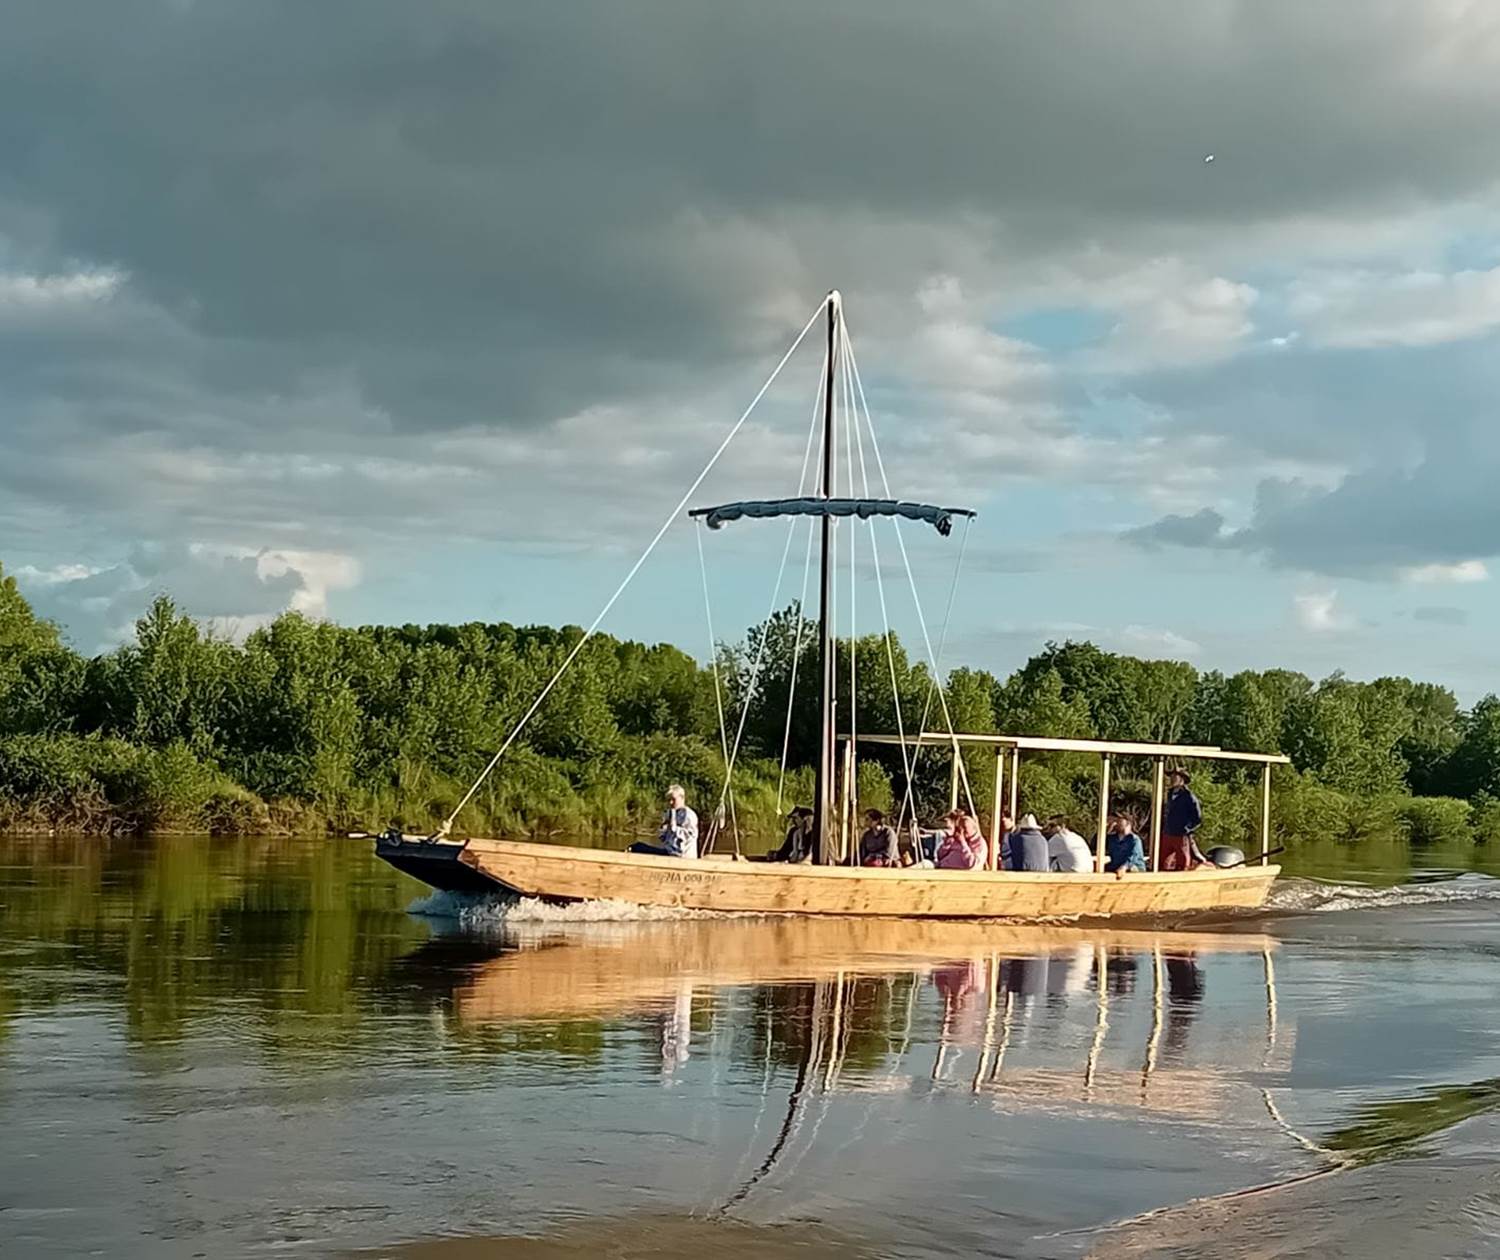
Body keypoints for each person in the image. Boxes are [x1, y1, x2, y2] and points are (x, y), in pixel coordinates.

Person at [628, 784, 699, 858]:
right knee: (637, 847)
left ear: (682, 798)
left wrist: (674, 828)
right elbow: (663, 837)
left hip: (682, 855)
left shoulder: (689, 815)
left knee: (639, 848)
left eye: (673, 799)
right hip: (669, 852)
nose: (671, 802)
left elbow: (691, 835)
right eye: (669, 800)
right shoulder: (670, 813)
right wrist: (663, 829)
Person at [1160, 769, 1204, 871]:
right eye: (1171, 777)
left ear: (1182, 780)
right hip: (1167, 832)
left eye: (1175, 777)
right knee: (1163, 859)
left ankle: (1183, 875)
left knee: (1183, 859)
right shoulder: (1169, 794)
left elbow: (1197, 817)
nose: (1172, 779)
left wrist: (1187, 828)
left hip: (1180, 834)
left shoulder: (1189, 796)